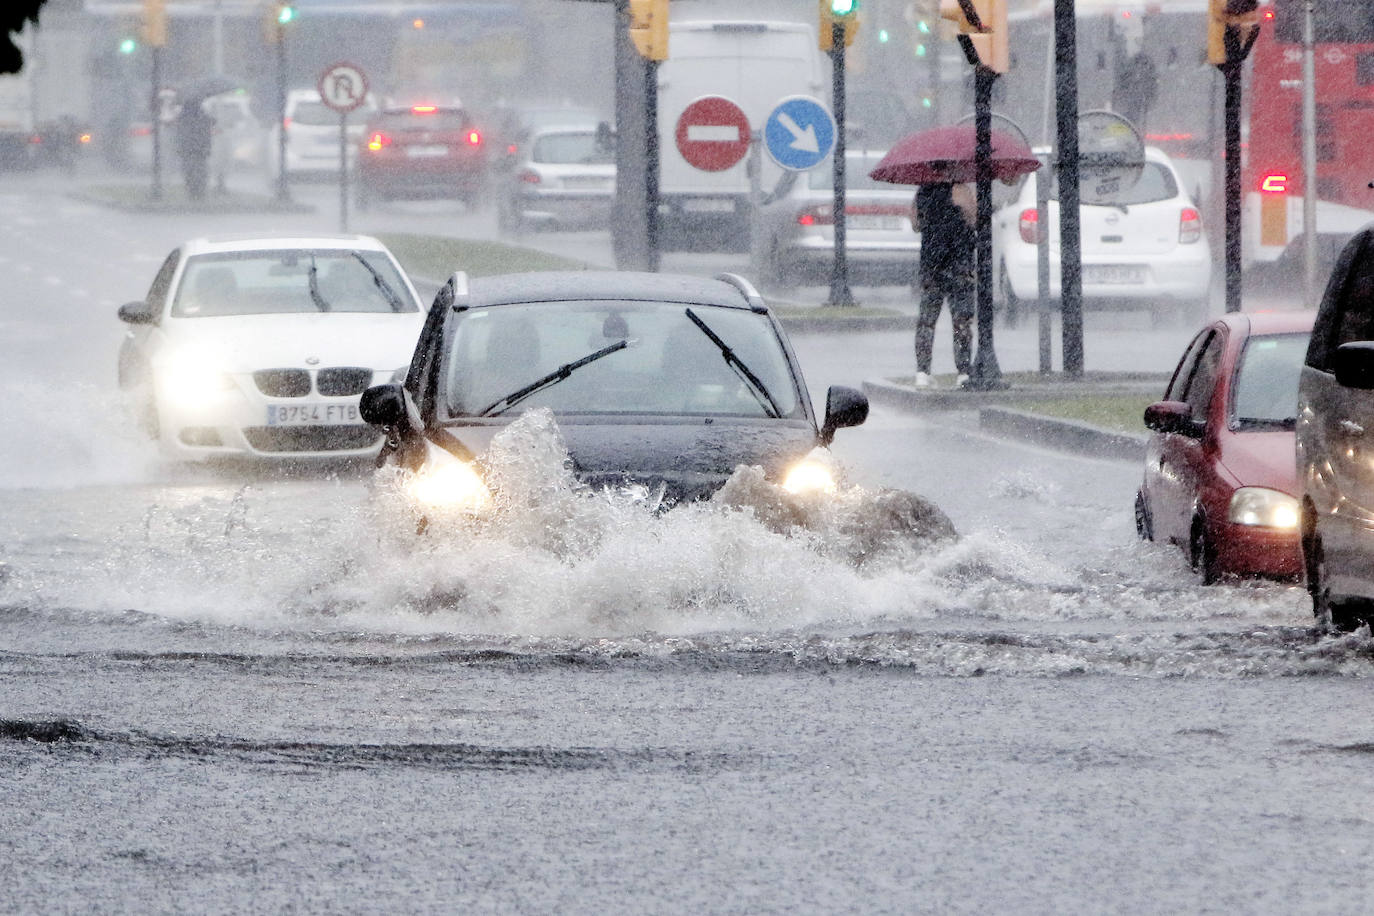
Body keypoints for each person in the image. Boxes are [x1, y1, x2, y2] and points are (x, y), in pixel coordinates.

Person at [913, 181, 976, 388]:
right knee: (961, 320)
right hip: (959, 261)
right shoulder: (961, 190)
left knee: (927, 321)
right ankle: (964, 372)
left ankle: (922, 371)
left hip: (932, 263)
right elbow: (973, 220)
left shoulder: (923, 191)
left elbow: (915, 224)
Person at [175, 99, 214, 201]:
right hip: (200, 149)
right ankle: (200, 191)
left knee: (189, 171)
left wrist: (180, 148)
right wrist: (207, 148)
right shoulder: (203, 117)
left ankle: (192, 191)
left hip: (188, 149)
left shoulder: (183, 117)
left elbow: (179, 134)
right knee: (200, 170)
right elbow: (207, 133)